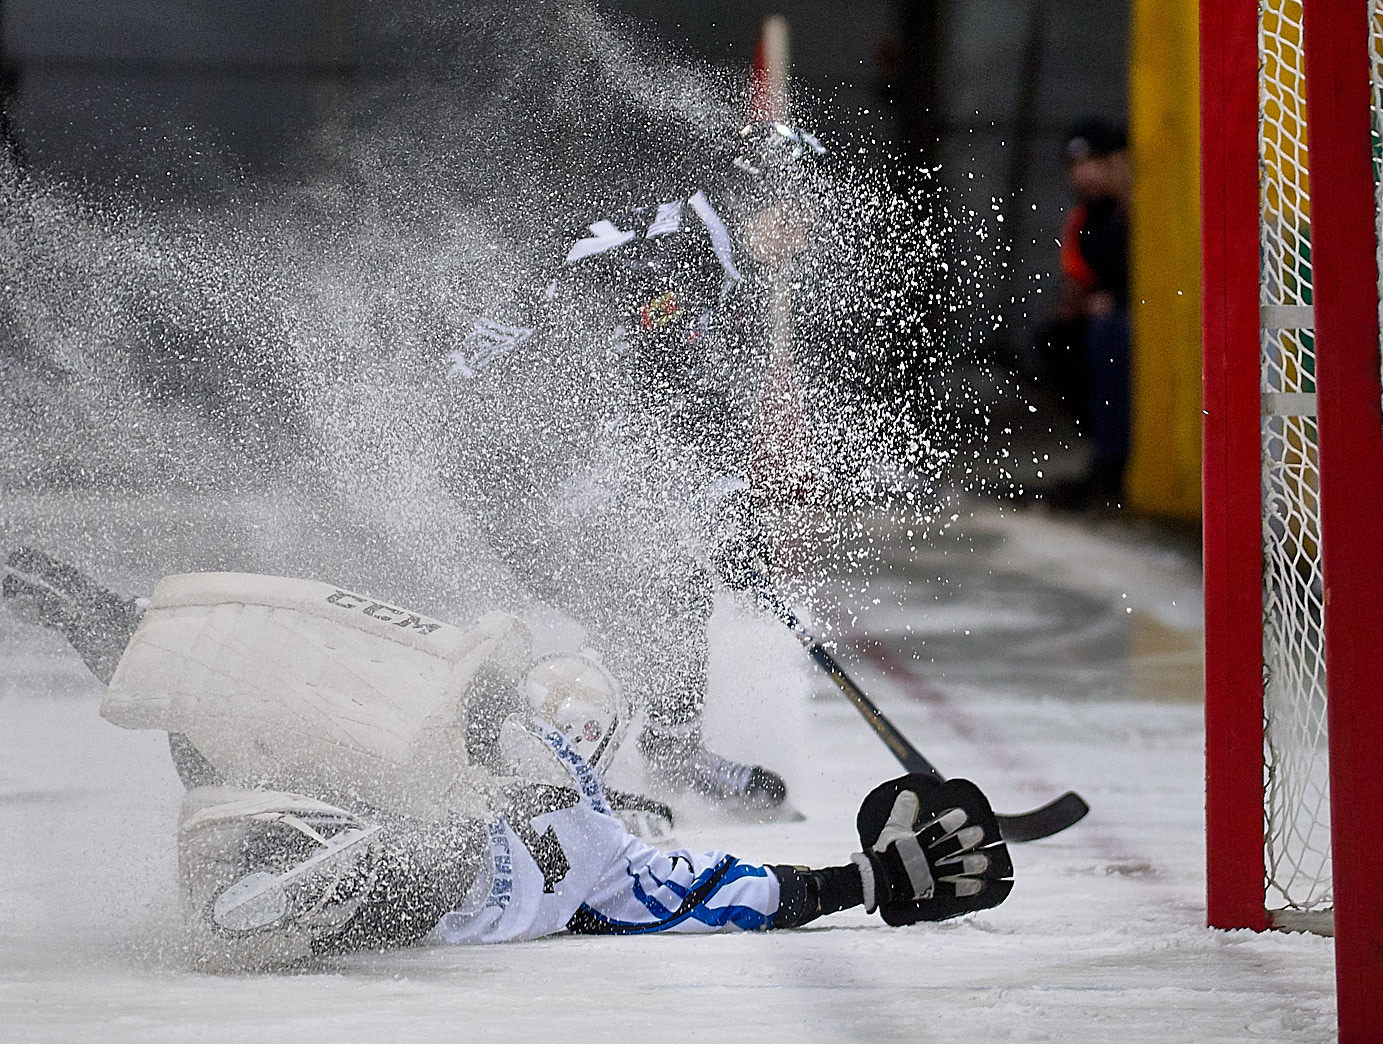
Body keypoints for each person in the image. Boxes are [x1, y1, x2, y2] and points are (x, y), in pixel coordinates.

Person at [2, 546, 1013, 971]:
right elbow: (381, 683)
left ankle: (289, 883)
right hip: (323, 802)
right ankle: (96, 615)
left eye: (576, 714)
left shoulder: (613, 851)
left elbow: (744, 889)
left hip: (420, 885)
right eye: (549, 699)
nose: (556, 713)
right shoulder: (467, 725)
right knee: (232, 711)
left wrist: (865, 875)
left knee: (426, 857)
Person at [439, 122, 827, 813]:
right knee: (640, 587)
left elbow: (669, 391)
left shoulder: (701, 241)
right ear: (749, 196)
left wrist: (724, 502)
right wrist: (726, 500)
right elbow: (651, 389)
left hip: (537, 440)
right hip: (505, 450)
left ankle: (666, 756)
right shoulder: (679, 257)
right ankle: (572, 786)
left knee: (659, 583)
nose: (802, 224)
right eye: (790, 203)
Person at [1037, 119, 1132, 509]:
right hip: (1104, 322)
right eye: (1075, 167)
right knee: (1056, 340)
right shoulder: (1087, 217)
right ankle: (1102, 453)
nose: (1083, 175)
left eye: (1093, 163)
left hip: (1136, 323)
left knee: (1110, 332)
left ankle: (1114, 462)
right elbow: (1078, 278)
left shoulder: (1142, 208)